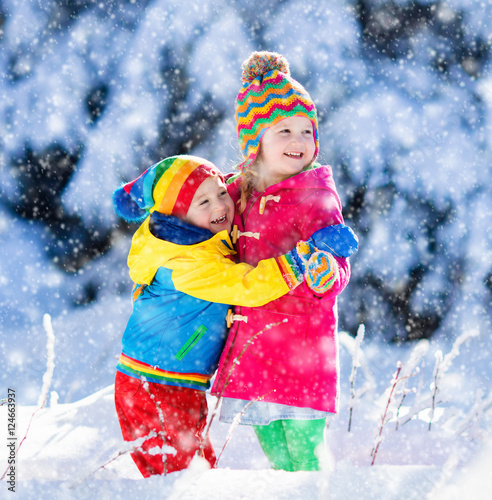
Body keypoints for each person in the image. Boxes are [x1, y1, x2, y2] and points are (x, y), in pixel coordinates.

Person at [112, 155, 357, 477]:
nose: (220, 206)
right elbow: (245, 285)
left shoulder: (198, 234)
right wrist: (303, 256)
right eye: (203, 201)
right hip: (153, 383)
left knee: (193, 468)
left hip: (174, 379)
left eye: (221, 193)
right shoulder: (183, 263)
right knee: (181, 476)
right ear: (177, 214)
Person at [211, 51, 355, 472]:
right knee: (276, 454)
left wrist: (327, 273)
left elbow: (336, 256)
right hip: (255, 346)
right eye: (284, 130)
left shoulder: (316, 197)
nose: (298, 141)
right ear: (255, 140)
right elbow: (202, 214)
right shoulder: (238, 194)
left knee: (305, 454)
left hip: (302, 346)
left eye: (306, 131)